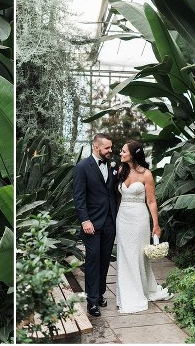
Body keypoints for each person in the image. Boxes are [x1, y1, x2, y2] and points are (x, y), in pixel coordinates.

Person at [115, 140, 172, 313]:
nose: (121, 154)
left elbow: (152, 201)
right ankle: (124, 293)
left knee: (139, 256)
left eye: (124, 151)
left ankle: (139, 292)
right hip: (122, 218)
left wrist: (156, 224)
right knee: (124, 255)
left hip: (139, 218)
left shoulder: (146, 174)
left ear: (133, 154)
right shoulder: (120, 170)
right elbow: (117, 198)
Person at [73, 133, 118, 317]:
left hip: (109, 221)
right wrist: (85, 220)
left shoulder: (111, 165)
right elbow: (79, 197)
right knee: (93, 261)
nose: (110, 151)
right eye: (107, 148)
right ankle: (91, 301)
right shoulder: (82, 167)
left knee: (105, 260)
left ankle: (99, 294)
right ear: (96, 147)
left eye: (111, 147)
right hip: (91, 223)